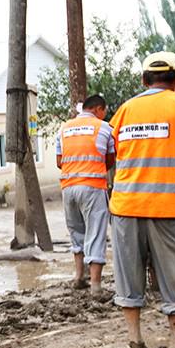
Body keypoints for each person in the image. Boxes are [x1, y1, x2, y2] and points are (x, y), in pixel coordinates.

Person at [109, 52, 175, 348]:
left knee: (128, 275)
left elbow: (113, 156)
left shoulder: (125, 110)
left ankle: (136, 342)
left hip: (126, 207)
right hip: (169, 208)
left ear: (143, 80)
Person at [56, 94, 115, 294]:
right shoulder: (104, 128)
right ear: (98, 109)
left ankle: (79, 276)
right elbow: (110, 159)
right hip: (93, 186)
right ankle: (96, 286)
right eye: (104, 111)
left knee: (76, 232)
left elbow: (59, 161)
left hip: (68, 186)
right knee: (96, 233)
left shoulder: (64, 128)